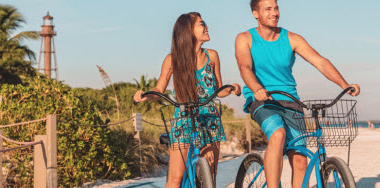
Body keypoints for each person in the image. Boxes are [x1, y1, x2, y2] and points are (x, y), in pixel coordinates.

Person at [235, 0, 361, 187]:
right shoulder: (245, 38)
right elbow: (244, 67)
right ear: (256, 13)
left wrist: (344, 84)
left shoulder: (292, 38)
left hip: (291, 101)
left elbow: (320, 61)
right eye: (268, 9)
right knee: (277, 134)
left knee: (300, 160)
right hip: (262, 101)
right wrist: (257, 89)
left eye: (276, 8)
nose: (274, 12)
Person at [132, 12, 241, 188]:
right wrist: (145, 95)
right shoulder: (172, 59)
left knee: (209, 178)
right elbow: (159, 89)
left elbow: (218, 90)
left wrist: (231, 89)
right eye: (201, 23)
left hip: (210, 118)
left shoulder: (212, 56)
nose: (206, 26)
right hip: (183, 119)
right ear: (188, 31)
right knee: (175, 179)